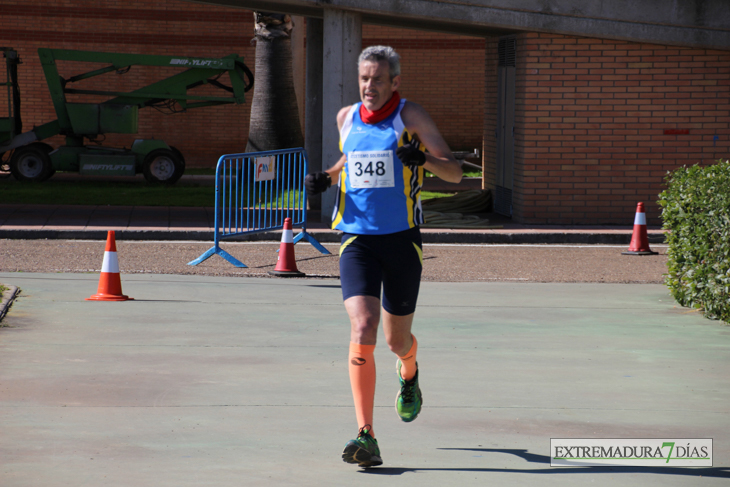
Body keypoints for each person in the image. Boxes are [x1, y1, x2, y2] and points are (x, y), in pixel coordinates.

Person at [305, 45, 462, 468]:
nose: (369, 87)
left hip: (402, 241)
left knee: (396, 340)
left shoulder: (411, 117)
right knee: (364, 324)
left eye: (377, 79)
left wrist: (423, 159)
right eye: (363, 79)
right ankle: (365, 433)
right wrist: (328, 176)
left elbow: (455, 172)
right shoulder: (346, 117)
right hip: (357, 240)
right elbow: (351, 156)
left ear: (395, 82)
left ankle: (409, 372)